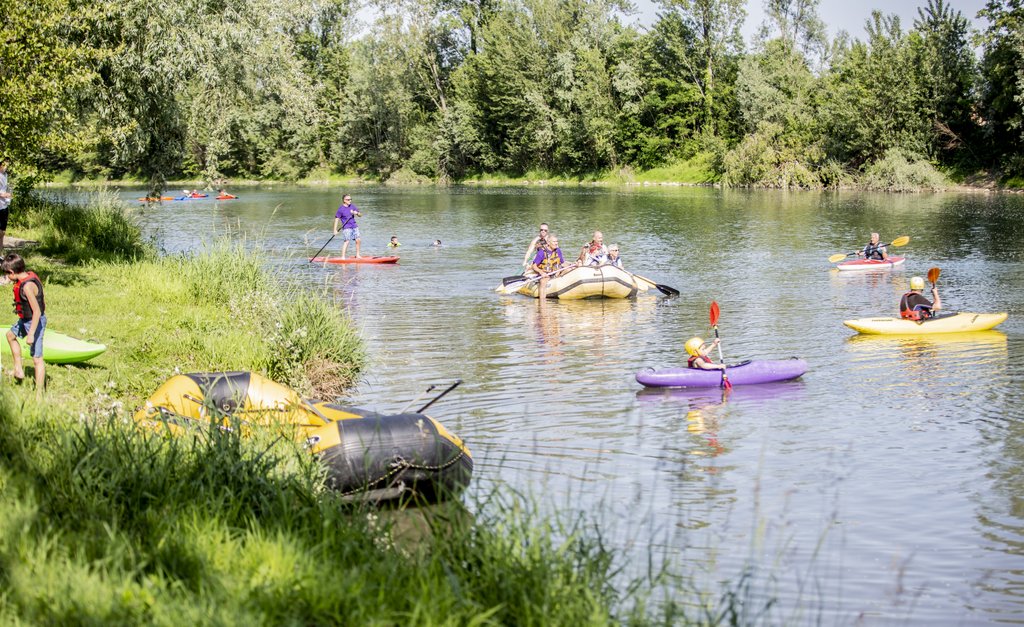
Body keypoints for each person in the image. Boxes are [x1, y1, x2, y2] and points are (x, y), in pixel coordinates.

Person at [3, 253, 45, 395]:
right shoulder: (26, 275)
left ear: (12, 272)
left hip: (35, 322)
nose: (7, 278)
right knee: (10, 336)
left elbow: (37, 312)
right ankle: (19, 370)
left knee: (37, 358)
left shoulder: (27, 287)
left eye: (7, 275)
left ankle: (39, 395)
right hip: (25, 320)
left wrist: (31, 334)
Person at [531, 235, 566, 300]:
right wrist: (541, 272)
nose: (556, 243)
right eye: (554, 241)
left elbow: (563, 263)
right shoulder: (542, 252)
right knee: (543, 281)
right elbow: (534, 266)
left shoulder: (558, 251)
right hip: (545, 274)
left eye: (557, 241)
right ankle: (542, 303)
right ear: (548, 243)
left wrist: (573, 264)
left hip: (556, 272)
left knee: (569, 269)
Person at [332, 194, 362, 259]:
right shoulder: (341, 209)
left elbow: (360, 215)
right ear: (344, 200)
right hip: (347, 227)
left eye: (350, 199)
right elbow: (336, 219)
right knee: (347, 241)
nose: (350, 201)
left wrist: (356, 213)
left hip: (354, 226)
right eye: (348, 199)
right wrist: (335, 230)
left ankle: (357, 255)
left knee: (358, 240)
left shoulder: (352, 206)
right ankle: (343, 257)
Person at [0, 159, 11, 249]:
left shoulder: (5, 175)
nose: (6, 167)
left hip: (4, 206)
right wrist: (2, 194)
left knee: (2, 232)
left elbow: (4, 189)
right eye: (5, 164)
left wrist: (7, 194)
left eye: (7, 165)